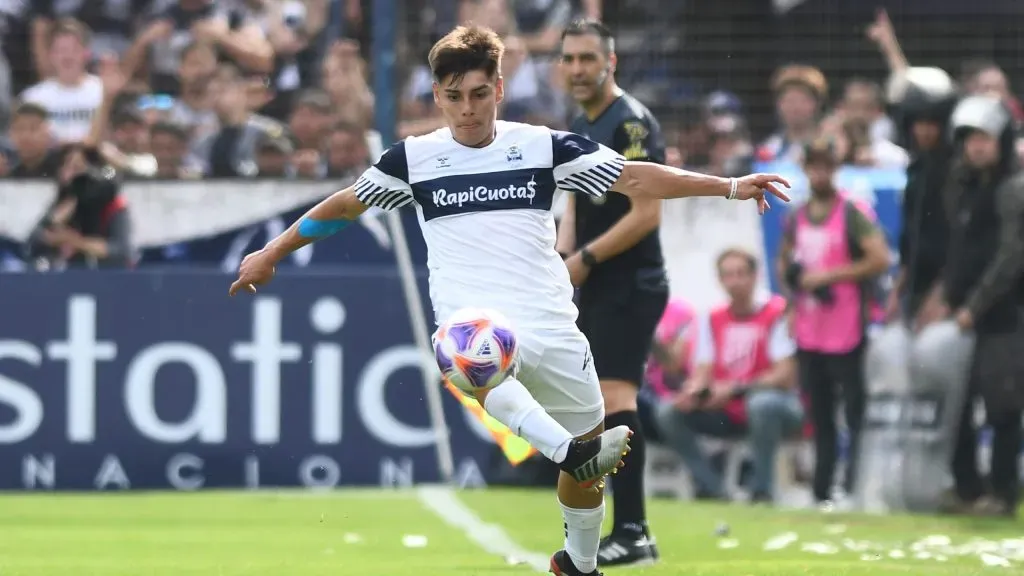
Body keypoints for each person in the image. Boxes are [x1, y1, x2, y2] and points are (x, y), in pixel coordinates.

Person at [228, 25, 789, 576]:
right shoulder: (415, 159)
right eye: (452, 98)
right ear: (437, 97)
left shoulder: (542, 146)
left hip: (551, 323)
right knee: (468, 353)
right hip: (477, 320)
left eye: (477, 95)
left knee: (590, 470)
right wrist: (272, 252)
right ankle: (564, 451)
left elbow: (636, 179)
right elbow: (345, 206)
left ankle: (580, 563)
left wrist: (731, 185)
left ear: (498, 89)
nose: (466, 110)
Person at [555, 19, 665, 567]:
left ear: (610, 61)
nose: (577, 69)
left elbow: (647, 211)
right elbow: (575, 205)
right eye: (569, 59)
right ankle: (623, 529)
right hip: (597, 282)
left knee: (618, 397)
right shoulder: (580, 122)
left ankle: (634, 530)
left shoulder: (631, 125)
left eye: (587, 59)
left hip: (632, 281)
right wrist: (560, 260)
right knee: (598, 407)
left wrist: (585, 260)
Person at [776, 139, 890, 507]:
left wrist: (827, 277)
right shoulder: (797, 215)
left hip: (847, 329)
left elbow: (879, 259)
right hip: (810, 331)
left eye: (827, 167)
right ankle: (822, 490)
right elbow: (784, 261)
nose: (820, 174)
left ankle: (855, 487)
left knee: (854, 413)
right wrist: (793, 291)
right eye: (814, 167)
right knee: (820, 415)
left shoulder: (853, 212)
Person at [655, 248, 802, 503]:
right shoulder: (712, 318)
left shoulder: (777, 312)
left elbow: (784, 376)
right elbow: (703, 370)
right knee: (669, 411)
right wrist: (695, 392)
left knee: (762, 404)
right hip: (727, 408)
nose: (734, 281)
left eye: (741, 274)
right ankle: (712, 488)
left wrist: (734, 389)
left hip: (778, 408)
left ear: (755, 276)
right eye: (728, 275)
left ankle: (761, 490)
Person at [939, 95, 1024, 517]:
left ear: (1002, 140)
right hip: (965, 317)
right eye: (969, 137)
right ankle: (968, 488)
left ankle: (1003, 494)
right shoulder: (965, 188)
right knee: (957, 405)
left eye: (984, 137)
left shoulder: (1014, 188)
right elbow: (958, 250)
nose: (976, 145)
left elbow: (1012, 257)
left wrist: (974, 304)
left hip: (1005, 318)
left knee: (1003, 406)